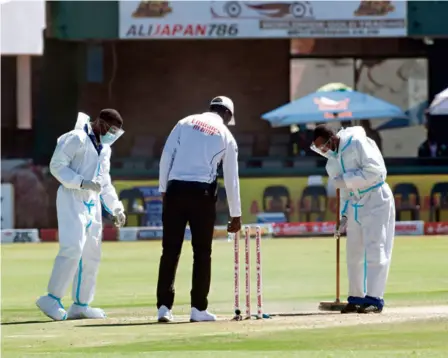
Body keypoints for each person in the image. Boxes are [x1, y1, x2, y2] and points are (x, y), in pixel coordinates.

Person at [156, 96, 241, 323]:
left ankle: (164, 308)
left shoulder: (185, 122)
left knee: (170, 250)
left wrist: (164, 188)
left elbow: (167, 155)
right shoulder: (226, 136)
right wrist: (236, 214)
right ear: (228, 115)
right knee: (202, 252)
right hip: (202, 195)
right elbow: (232, 179)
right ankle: (198, 309)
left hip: (175, 191)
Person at [36, 110, 126, 321]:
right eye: (111, 130)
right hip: (71, 196)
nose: (112, 135)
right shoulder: (76, 137)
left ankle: (81, 304)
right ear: (101, 123)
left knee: (92, 253)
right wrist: (80, 181)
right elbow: (56, 166)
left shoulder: (105, 149)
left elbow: (104, 182)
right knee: (73, 247)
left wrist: (116, 208)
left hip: (92, 200)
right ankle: (51, 299)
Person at [311, 124, 395, 314]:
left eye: (323, 146)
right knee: (353, 252)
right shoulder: (331, 161)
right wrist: (344, 216)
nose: (322, 151)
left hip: (376, 198)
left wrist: (347, 180)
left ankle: (375, 298)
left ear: (332, 139)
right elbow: (346, 193)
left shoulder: (357, 142)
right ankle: (356, 297)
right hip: (356, 203)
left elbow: (376, 172)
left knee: (376, 248)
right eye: (319, 148)